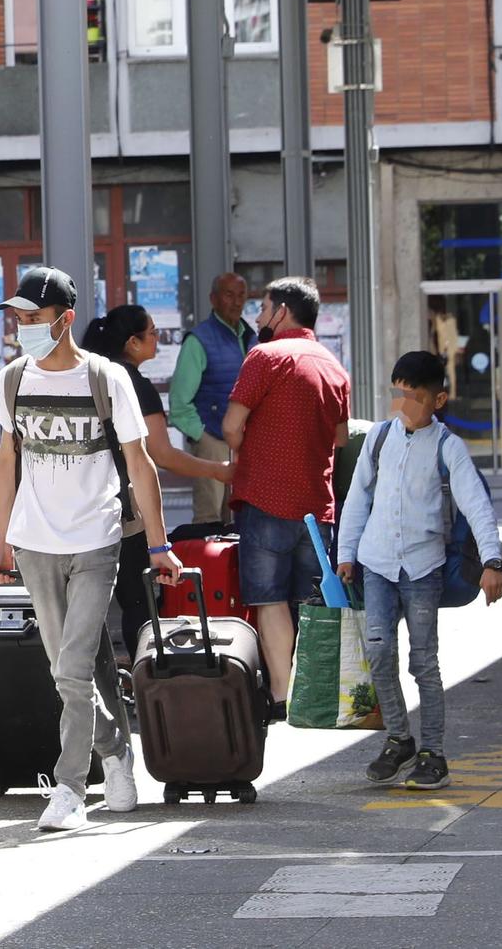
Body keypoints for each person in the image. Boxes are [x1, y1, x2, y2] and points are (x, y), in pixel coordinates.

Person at [0, 268, 181, 832]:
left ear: (64, 319)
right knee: (79, 663)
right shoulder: (13, 380)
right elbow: (6, 463)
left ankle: (69, 788)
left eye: (33, 318)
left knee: (70, 669)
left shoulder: (107, 379)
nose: (22, 327)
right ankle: (118, 752)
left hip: (97, 540)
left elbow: (141, 466)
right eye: (17, 318)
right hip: (35, 544)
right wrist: (1, 542)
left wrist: (160, 543)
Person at [336, 351, 502, 792]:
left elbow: (476, 505)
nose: (404, 404)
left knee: (424, 663)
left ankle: (434, 753)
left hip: (422, 568)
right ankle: (399, 739)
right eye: (400, 394)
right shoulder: (378, 439)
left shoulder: (448, 446)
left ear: (439, 399)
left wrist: (492, 560)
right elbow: (357, 499)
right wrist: (346, 554)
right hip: (375, 565)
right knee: (377, 651)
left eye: (415, 396)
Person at [223, 276, 351, 712]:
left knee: (270, 600)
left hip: (265, 499)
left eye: (262, 307)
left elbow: (230, 428)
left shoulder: (264, 356)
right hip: (318, 507)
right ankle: (316, 695)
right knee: (312, 604)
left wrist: (252, 450)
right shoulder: (333, 365)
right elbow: (340, 438)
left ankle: (281, 694)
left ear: (282, 311)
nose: (258, 317)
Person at [83, 306, 233, 657]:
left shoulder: (89, 376)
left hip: (83, 502)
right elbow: (160, 454)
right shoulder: (135, 384)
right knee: (138, 599)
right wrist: (217, 470)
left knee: (82, 605)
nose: (158, 339)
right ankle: (141, 676)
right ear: (132, 343)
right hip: (124, 507)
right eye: (152, 333)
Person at [167, 272, 254, 528]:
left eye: (241, 295)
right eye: (229, 295)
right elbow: (180, 403)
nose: (236, 302)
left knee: (240, 520)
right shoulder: (198, 340)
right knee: (209, 520)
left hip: (245, 444)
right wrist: (203, 437)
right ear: (213, 299)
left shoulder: (251, 337)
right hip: (213, 443)